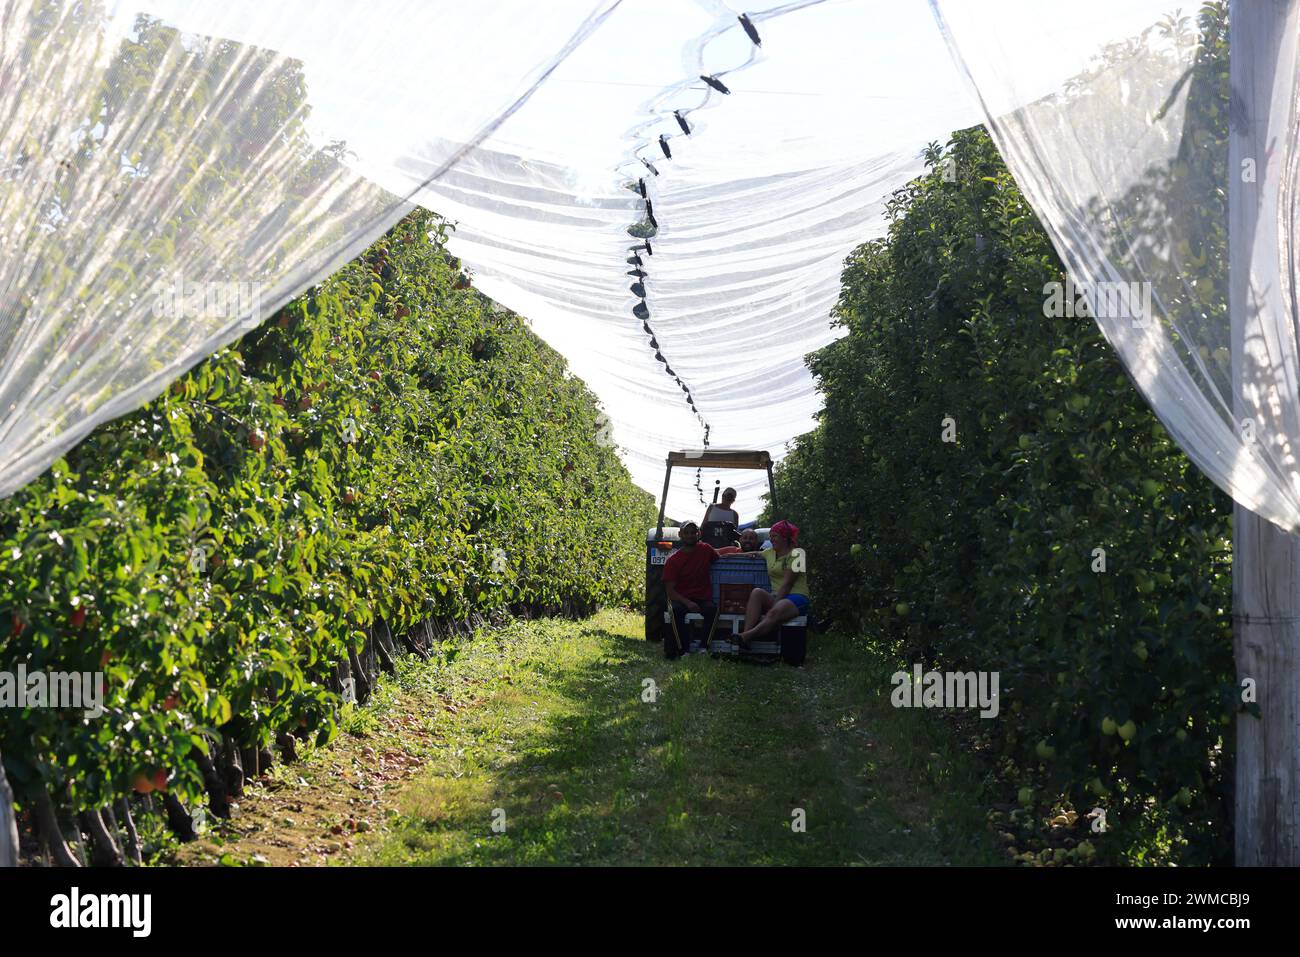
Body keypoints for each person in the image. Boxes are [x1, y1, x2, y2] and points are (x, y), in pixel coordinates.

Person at [721, 519, 809, 648]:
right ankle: (744, 638)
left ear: (785, 537)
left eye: (774, 536)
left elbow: (787, 584)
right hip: (777, 596)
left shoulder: (798, 554)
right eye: (770, 536)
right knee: (757, 592)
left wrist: (774, 603)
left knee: (773, 613)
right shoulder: (770, 552)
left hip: (796, 596)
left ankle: (745, 637)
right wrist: (730, 555)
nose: (771, 539)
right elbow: (754, 553)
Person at [661, 521, 719, 658]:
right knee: (675, 611)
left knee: (712, 610)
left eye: (693, 532)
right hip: (680, 598)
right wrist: (688, 603)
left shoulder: (706, 549)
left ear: (698, 534)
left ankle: (704, 647)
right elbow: (670, 592)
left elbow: (721, 554)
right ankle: (683, 650)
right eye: (686, 533)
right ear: (680, 535)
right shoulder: (673, 560)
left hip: (702, 597)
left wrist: (745, 553)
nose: (690, 535)